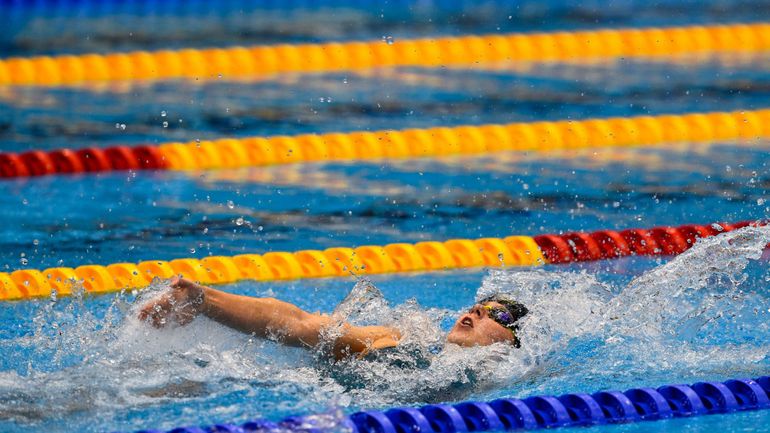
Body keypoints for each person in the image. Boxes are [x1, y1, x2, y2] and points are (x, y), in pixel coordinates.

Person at [138, 276, 528, 360]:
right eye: (479, 303)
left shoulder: (508, 374)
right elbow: (305, 325)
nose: (478, 309)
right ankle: (201, 298)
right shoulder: (412, 334)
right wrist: (207, 300)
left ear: (512, 339)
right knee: (325, 332)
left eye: (499, 312)